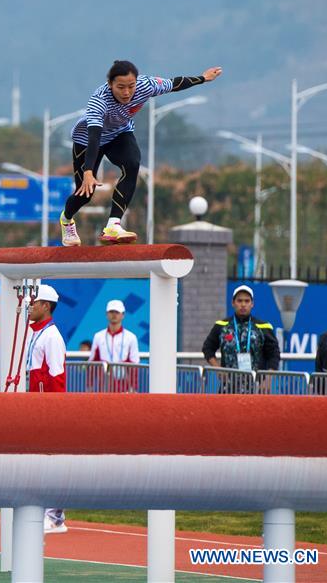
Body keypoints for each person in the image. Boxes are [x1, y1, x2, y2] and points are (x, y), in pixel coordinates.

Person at [60, 60, 223, 246]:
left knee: (132, 163)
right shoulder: (99, 101)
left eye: (131, 86)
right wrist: (88, 172)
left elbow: (174, 83)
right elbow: (95, 137)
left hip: (119, 133)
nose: (127, 93)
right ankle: (66, 220)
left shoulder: (146, 85)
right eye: (120, 87)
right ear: (110, 84)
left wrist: (203, 78)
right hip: (87, 140)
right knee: (85, 194)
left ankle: (113, 225)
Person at [25, 283, 68, 533]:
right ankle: (47, 512)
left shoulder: (52, 336)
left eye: (34, 302)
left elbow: (57, 377)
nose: (30, 306)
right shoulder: (35, 333)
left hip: (48, 409)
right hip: (36, 408)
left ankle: (55, 516)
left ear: (45, 306)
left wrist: (54, 411)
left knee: (53, 462)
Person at [202, 285, 280, 375]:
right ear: (233, 303)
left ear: (252, 304)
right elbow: (207, 348)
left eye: (247, 301)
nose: (243, 305)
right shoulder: (221, 326)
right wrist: (218, 369)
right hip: (228, 385)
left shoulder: (263, 327)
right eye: (239, 301)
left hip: (256, 384)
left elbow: (274, 354)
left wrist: (268, 379)